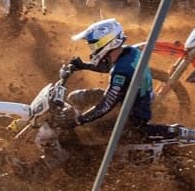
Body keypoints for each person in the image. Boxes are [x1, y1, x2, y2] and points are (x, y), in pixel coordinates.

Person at [52, 19, 163, 163]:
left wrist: (79, 121)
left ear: (107, 43)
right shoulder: (129, 51)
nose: (92, 49)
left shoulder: (121, 71)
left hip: (130, 115)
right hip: (132, 100)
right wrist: (84, 66)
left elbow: (106, 105)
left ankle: (90, 160)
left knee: (90, 132)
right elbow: (108, 67)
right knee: (76, 97)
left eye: (93, 45)